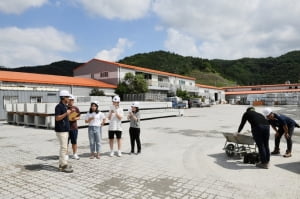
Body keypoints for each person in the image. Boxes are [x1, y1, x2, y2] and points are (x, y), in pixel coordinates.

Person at [55, 90, 73, 173]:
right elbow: (57, 118)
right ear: (63, 98)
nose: (69, 99)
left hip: (65, 129)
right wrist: (66, 113)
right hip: (61, 130)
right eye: (67, 97)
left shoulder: (65, 106)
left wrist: (69, 114)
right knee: (64, 148)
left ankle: (62, 163)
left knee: (64, 148)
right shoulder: (59, 107)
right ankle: (63, 165)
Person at [67, 94, 81, 160]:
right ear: (67, 100)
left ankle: (74, 154)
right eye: (70, 100)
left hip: (74, 128)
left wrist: (75, 118)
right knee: (66, 143)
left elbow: (79, 117)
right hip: (66, 128)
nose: (71, 101)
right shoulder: (65, 107)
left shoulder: (76, 108)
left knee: (74, 142)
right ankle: (66, 155)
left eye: (72, 100)